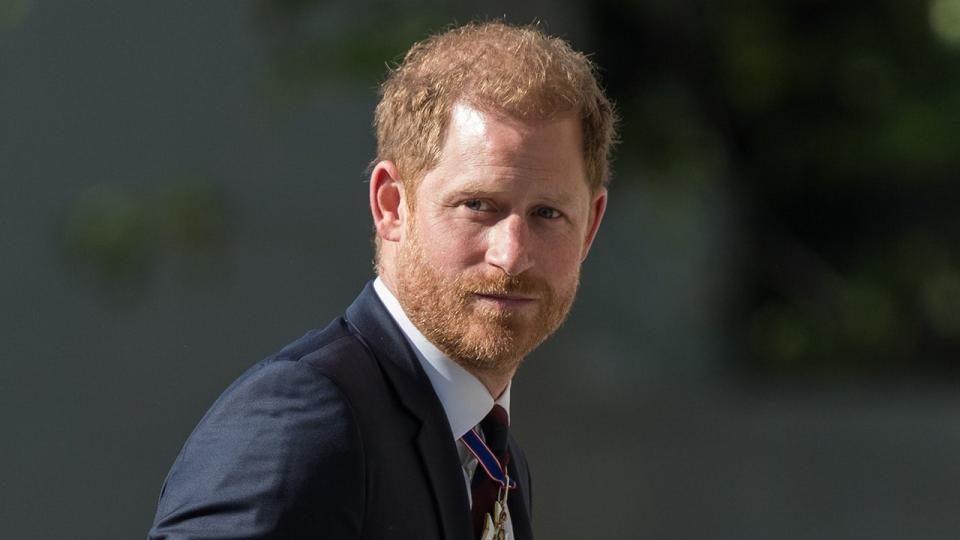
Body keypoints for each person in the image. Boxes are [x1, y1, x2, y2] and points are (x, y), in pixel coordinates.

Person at [149, 20, 616, 540]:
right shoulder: (304, 425)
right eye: (477, 205)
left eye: (548, 214)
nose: (512, 256)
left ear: (590, 226)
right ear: (391, 205)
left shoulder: (498, 463)